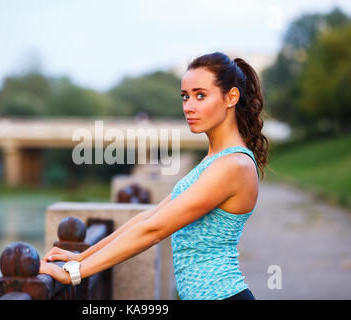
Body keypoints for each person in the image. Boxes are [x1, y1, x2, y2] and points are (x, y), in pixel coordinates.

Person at [39, 52, 269, 300]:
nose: (188, 107)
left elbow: (155, 229)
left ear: (231, 97)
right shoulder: (215, 160)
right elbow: (149, 216)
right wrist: (82, 256)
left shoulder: (233, 165)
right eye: (185, 96)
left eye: (200, 95)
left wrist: (76, 273)